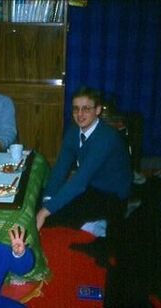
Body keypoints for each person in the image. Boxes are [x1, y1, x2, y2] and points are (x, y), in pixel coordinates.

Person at [36, 86, 133, 234]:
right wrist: (47, 200)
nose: (80, 114)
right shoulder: (73, 131)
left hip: (112, 195)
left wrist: (45, 211)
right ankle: (87, 222)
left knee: (51, 217)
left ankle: (97, 226)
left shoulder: (106, 138)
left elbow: (79, 182)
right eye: (75, 109)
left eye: (86, 108)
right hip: (90, 185)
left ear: (98, 110)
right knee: (39, 202)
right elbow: (60, 170)